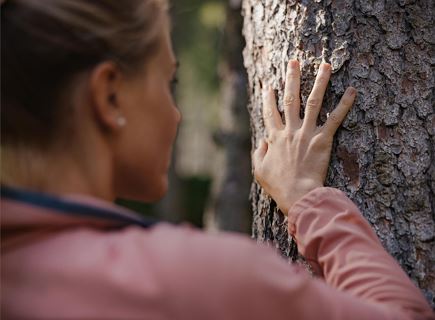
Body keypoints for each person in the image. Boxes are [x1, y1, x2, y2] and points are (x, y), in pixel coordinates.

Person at [0, 0, 433, 319]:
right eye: (168, 81)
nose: (176, 113)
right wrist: (309, 199)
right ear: (109, 95)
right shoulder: (191, 282)